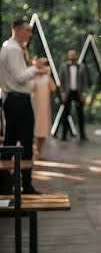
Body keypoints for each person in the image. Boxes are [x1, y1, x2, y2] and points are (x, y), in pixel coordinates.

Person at [0, 19, 48, 194]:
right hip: (19, 100)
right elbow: (20, 77)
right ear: (18, 30)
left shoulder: (7, 47)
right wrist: (35, 68)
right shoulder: (13, 49)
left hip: (11, 100)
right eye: (27, 30)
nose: (30, 34)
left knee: (10, 141)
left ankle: (5, 184)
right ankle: (26, 185)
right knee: (26, 142)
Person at [59, 50, 89, 141]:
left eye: (74, 54)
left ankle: (82, 135)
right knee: (65, 114)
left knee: (80, 114)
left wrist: (84, 93)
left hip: (78, 92)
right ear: (68, 56)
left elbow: (85, 81)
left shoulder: (81, 66)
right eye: (70, 55)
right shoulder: (63, 66)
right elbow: (61, 81)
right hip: (67, 93)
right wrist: (62, 93)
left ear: (76, 55)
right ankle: (63, 135)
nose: (72, 56)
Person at [31, 58, 57, 159]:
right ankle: (32, 149)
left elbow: (53, 88)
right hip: (33, 105)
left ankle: (39, 150)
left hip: (44, 107)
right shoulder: (32, 75)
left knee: (42, 130)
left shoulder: (46, 75)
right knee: (32, 128)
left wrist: (48, 74)